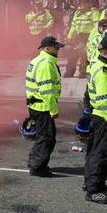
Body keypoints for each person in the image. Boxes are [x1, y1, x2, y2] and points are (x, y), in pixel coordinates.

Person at [83, 30, 107, 203]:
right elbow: (105, 101)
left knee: (96, 152)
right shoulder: (103, 71)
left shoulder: (101, 64)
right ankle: (94, 191)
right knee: (100, 154)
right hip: (104, 118)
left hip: (100, 117)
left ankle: (91, 183)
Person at [24, 36, 64, 177]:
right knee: (47, 138)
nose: (58, 49)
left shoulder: (37, 60)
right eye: (56, 47)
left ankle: (34, 162)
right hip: (43, 107)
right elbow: (47, 91)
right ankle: (37, 167)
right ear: (47, 48)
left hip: (36, 105)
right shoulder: (46, 64)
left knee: (42, 136)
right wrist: (53, 109)